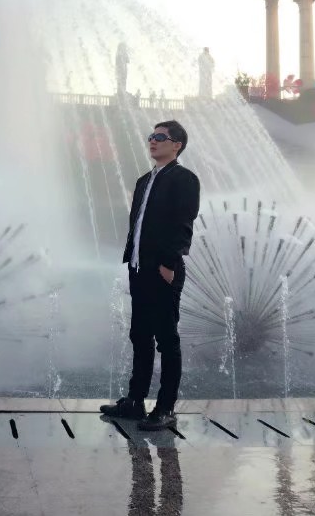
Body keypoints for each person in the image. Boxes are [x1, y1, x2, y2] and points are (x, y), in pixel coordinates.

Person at [100, 120, 200, 430]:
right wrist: (132, 259)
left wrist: (169, 263)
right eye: (151, 137)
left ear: (177, 145)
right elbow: (139, 223)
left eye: (160, 137)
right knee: (140, 335)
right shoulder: (145, 180)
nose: (152, 141)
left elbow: (183, 223)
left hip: (163, 269)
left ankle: (166, 408)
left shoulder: (184, 179)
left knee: (166, 339)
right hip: (140, 267)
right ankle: (135, 402)